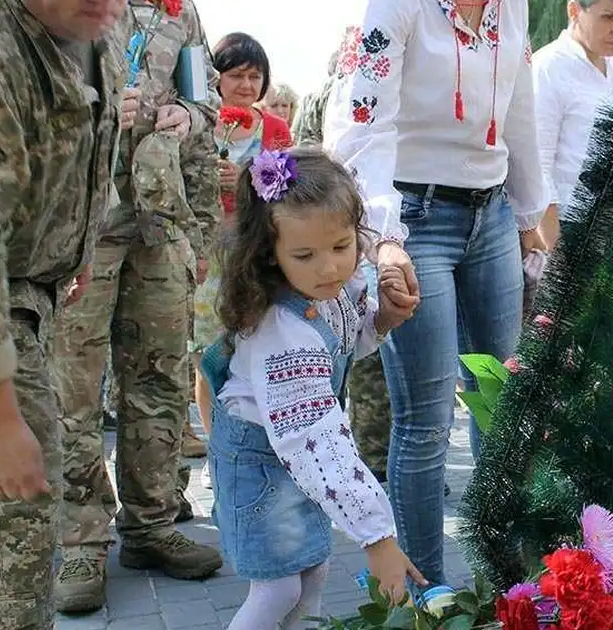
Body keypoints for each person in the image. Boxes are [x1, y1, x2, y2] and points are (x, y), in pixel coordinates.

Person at [325, 0, 548, 587]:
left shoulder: (513, 7)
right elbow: (363, 125)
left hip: (492, 212)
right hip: (414, 216)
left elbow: (520, 107)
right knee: (426, 419)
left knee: (500, 401)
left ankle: (508, 583)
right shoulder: (396, 8)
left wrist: (528, 213)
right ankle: (429, 598)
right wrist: (383, 237)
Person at [0, 0, 129, 625]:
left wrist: (74, 245)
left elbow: (91, 140)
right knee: (12, 546)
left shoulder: (91, 26)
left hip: (26, 290)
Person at [202, 147, 425, 628]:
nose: (329, 269)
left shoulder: (323, 294)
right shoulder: (279, 331)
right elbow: (317, 441)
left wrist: (381, 318)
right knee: (278, 586)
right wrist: (378, 539)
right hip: (263, 469)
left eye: (342, 247)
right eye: (305, 255)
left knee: (314, 569)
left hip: (295, 462)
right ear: (270, 254)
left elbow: (340, 344)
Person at [51, 0, 224, 614]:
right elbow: (21, 93)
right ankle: (81, 538)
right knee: (72, 386)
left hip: (160, 218)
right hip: (81, 220)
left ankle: (150, 526)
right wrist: (92, 104)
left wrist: (186, 114)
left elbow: (209, 106)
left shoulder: (181, 13)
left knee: (157, 379)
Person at [192, 32, 293, 489]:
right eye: (237, 75)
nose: (247, 85)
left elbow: (289, 191)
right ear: (217, 79)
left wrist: (247, 181)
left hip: (256, 252)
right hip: (209, 253)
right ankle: (219, 450)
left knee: (257, 349)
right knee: (211, 354)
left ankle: (262, 447)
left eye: (256, 76)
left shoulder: (274, 129)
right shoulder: (198, 122)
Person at [533, 0, 613, 249]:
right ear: (574, 10)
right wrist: (558, 258)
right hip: (567, 228)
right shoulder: (548, 67)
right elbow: (537, 168)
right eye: (608, 17)